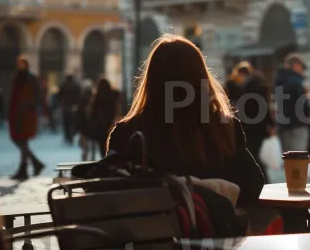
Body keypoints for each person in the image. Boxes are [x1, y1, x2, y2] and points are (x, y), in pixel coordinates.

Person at [107, 35, 265, 207]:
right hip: (218, 232)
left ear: (150, 82)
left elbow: (111, 195)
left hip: (152, 232)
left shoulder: (126, 134)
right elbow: (253, 186)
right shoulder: (224, 129)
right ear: (201, 79)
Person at [8, 55, 45, 181]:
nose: (20, 65)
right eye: (18, 63)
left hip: (27, 115)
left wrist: (27, 103)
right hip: (16, 114)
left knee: (22, 140)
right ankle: (35, 163)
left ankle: (24, 169)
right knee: (17, 139)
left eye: (22, 63)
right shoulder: (17, 77)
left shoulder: (31, 78)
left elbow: (38, 97)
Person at [240, 70, 275, 181]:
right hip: (260, 129)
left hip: (247, 129)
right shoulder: (263, 92)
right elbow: (266, 111)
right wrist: (272, 124)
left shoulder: (245, 93)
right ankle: (262, 177)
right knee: (256, 154)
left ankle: (259, 177)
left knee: (252, 154)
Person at [274, 54, 310, 152]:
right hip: (298, 125)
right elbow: (304, 106)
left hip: (283, 126)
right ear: (296, 65)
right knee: (298, 159)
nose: (302, 71)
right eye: (301, 68)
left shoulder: (278, 80)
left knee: (287, 160)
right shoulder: (297, 82)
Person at [89, 78, 121, 158]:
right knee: (112, 145)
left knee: (102, 146)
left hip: (101, 127)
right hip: (112, 124)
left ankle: (104, 158)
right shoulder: (114, 95)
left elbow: (92, 112)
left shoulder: (97, 97)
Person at [58, 74, 81, 144]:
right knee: (72, 122)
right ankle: (71, 136)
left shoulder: (63, 85)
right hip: (73, 107)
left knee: (66, 123)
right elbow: (79, 95)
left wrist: (60, 103)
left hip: (65, 106)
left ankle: (67, 136)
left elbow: (59, 96)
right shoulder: (75, 85)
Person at [77, 79, 95, 161]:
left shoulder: (81, 97)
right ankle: (92, 156)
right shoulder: (94, 96)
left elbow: (79, 112)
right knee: (92, 140)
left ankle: (85, 154)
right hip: (91, 122)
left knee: (84, 139)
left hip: (83, 122)